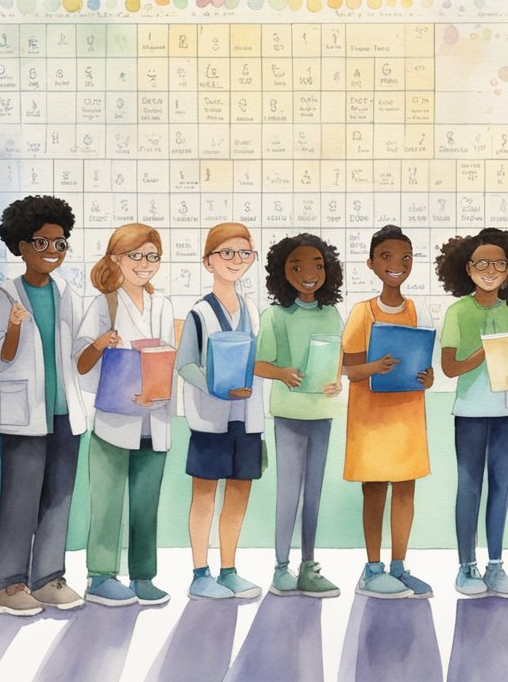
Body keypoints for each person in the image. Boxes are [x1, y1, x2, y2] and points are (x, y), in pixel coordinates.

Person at [0, 195, 87, 616]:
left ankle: (48, 578)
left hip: (64, 412)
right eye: (42, 243)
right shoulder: (7, 295)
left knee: (59, 497)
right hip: (24, 416)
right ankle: (9, 584)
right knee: (21, 499)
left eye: (60, 244)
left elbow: (77, 349)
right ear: (21, 246)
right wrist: (12, 327)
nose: (52, 253)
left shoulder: (67, 293)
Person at [74, 223, 176, 607]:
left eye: (152, 256)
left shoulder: (162, 305)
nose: (145, 264)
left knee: (146, 503)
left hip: (155, 418)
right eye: (136, 256)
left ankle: (143, 576)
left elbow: (168, 357)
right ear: (116, 258)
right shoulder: (104, 304)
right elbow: (82, 364)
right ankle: (100, 576)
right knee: (107, 501)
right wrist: (102, 342)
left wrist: (158, 392)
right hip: (114, 421)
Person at [436, 227, 508, 599]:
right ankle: (467, 567)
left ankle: (495, 567)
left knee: (502, 488)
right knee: (469, 487)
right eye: (482, 263)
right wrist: (484, 352)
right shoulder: (457, 312)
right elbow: (449, 368)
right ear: (467, 268)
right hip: (469, 412)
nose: (491, 269)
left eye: (499, 263)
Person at [342, 225, 436, 599]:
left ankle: (399, 566)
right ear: (371, 263)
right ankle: (371, 568)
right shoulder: (362, 312)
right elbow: (348, 369)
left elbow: (424, 363)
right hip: (371, 417)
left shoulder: (417, 309)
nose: (397, 265)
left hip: (407, 413)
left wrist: (426, 378)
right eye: (387, 257)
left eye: (405, 258)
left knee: (406, 490)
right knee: (374, 491)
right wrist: (375, 366)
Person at [176, 222, 265, 600]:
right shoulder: (199, 313)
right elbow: (185, 365)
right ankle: (200, 573)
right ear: (208, 261)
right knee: (205, 495)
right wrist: (216, 387)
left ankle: (228, 569)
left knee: (239, 494)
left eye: (244, 253)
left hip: (248, 418)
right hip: (210, 419)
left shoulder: (253, 311)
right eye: (226, 253)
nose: (236, 260)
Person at [256, 233, 345, 598]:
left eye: (317, 266)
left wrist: (337, 382)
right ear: (282, 273)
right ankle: (281, 567)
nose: (309, 274)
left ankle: (309, 565)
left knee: (314, 494)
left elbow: (337, 358)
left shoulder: (332, 313)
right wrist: (282, 373)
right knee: (288, 493)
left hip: (322, 411)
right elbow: (259, 363)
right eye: (297, 267)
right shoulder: (275, 315)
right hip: (290, 413)